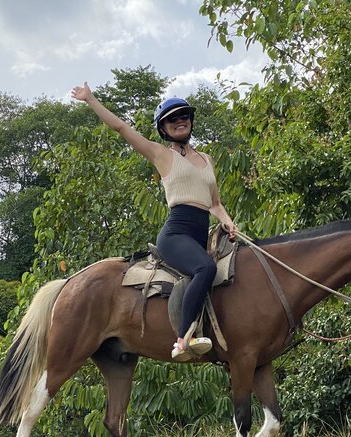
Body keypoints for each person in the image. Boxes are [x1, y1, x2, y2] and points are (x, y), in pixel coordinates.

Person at [71, 82, 238, 361]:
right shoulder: (162, 155)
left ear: (191, 121)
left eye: (184, 115)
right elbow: (121, 128)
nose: (179, 121)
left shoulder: (207, 159)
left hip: (201, 233)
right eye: (172, 119)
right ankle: (183, 340)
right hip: (176, 233)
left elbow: (215, 204)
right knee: (205, 268)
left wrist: (229, 222)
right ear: (164, 129)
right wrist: (90, 99)